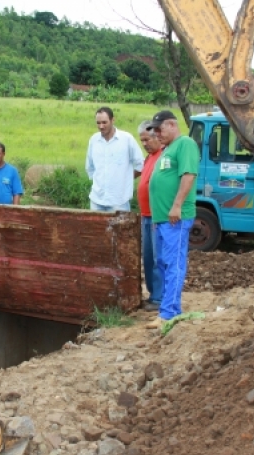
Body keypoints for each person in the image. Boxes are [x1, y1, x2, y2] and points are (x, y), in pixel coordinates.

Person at [147, 110, 199, 324]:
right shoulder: (167, 149)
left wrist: (177, 205)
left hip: (175, 219)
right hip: (162, 220)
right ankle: (169, 308)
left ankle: (168, 313)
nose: (157, 134)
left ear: (171, 125)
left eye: (160, 129)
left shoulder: (184, 144)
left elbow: (188, 175)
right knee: (163, 263)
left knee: (173, 263)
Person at [85, 106, 144, 212]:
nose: (101, 126)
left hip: (119, 201)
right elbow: (90, 166)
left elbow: (141, 164)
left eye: (104, 122)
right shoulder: (93, 140)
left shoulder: (127, 139)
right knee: (95, 229)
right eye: (98, 123)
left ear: (113, 120)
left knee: (120, 229)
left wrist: (126, 179)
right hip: (96, 200)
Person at [137, 120, 164, 312]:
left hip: (156, 215)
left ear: (156, 136)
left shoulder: (164, 157)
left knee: (157, 258)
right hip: (145, 214)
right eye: (142, 141)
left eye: (147, 139)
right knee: (147, 257)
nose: (145, 144)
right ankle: (152, 294)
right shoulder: (149, 158)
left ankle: (159, 297)